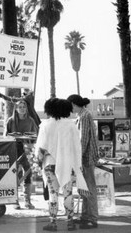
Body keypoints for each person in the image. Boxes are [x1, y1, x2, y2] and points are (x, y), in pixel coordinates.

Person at [35, 98, 88, 232]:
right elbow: (77, 147)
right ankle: (70, 222)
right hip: (68, 164)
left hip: (50, 164)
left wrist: (38, 161)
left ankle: (53, 223)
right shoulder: (71, 125)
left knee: (53, 194)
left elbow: (41, 148)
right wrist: (78, 165)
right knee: (68, 193)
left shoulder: (45, 125)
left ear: (49, 109)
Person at [68, 94, 99, 229]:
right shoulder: (81, 115)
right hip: (84, 157)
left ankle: (92, 218)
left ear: (74, 104)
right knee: (84, 188)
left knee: (90, 188)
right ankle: (85, 216)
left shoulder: (85, 116)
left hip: (86, 157)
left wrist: (78, 159)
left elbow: (83, 139)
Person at [3, 98, 40, 210]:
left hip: (28, 149)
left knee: (28, 173)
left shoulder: (31, 121)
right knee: (14, 174)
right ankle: (15, 201)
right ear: (16, 109)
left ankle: (27, 201)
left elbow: (36, 135)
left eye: (24, 107)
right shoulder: (10, 120)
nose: (22, 109)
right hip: (14, 149)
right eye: (20, 107)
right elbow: (5, 136)